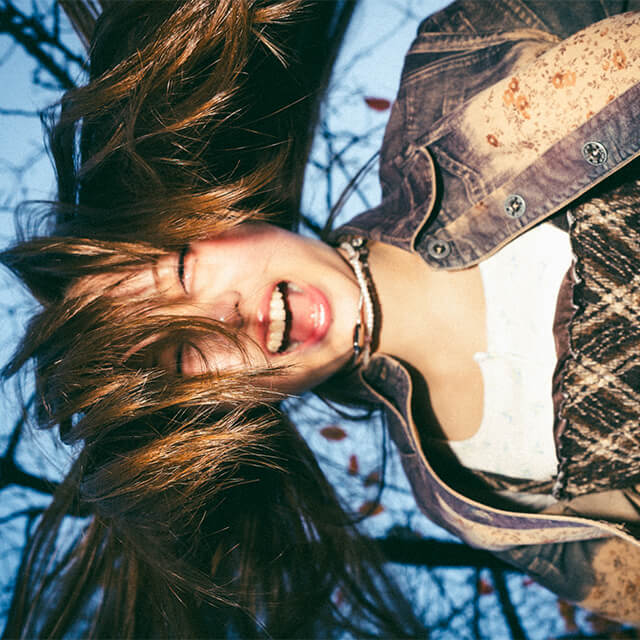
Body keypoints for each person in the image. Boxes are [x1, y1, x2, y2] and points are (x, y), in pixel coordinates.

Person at [2, 0, 640, 636]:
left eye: (182, 272)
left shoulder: (455, 68)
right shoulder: (475, 503)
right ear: (213, 417)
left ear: (210, 208)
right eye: (182, 357)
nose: (226, 316)